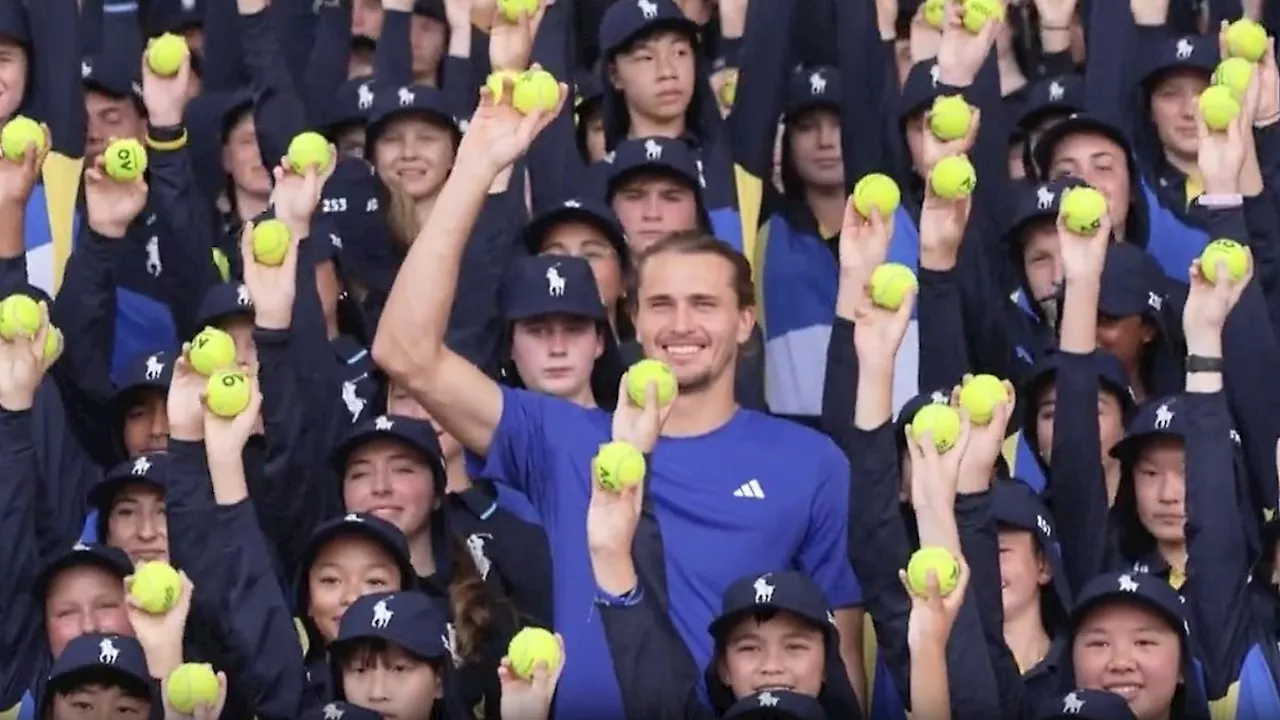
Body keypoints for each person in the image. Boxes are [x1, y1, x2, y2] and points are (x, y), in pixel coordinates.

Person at [373, 75, 865, 719]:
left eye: (705, 304)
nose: (682, 324)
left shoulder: (810, 461)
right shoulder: (562, 437)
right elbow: (405, 352)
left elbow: (841, 662)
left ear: (746, 322)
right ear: (630, 319)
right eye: (661, 303)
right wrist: (476, 165)